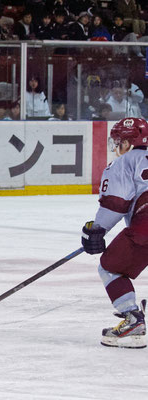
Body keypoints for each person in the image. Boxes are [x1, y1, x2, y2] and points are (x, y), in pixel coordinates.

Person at [80, 117, 148, 348]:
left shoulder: (125, 162)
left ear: (129, 143)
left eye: (119, 141)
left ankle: (132, 320)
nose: (117, 146)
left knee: (110, 267)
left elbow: (115, 203)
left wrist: (97, 231)